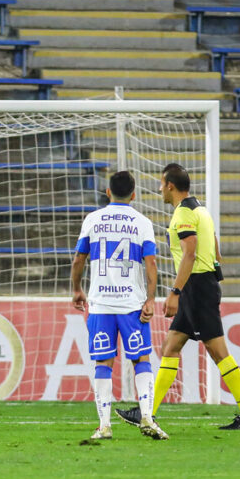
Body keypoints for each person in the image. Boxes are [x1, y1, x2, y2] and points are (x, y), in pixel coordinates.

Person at [116, 163, 240, 430]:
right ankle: (147, 412)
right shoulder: (201, 210)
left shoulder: (183, 214)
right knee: (170, 347)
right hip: (201, 285)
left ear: (170, 186)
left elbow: (190, 254)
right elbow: (214, 244)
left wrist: (175, 292)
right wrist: (214, 266)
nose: (160, 189)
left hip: (195, 288)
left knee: (218, 352)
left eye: (161, 184)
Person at [71, 171, 168, 440]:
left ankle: (104, 426)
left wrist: (77, 289)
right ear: (134, 195)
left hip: (101, 304)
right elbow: (151, 263)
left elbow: (79, 258)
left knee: (103, 361)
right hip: (131, 305)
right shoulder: (142, 223)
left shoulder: (93, 219)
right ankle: (147, 417)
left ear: (107, 192)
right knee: (141, 359)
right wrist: (150, 299)